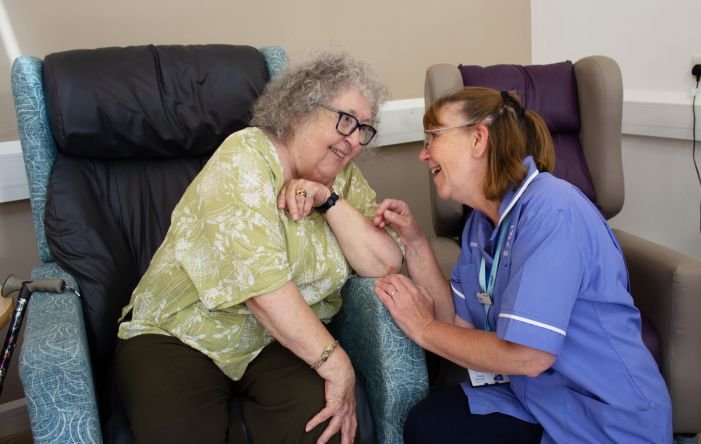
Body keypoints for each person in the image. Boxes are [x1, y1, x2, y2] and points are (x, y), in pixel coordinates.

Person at [114, 52, 403, 444]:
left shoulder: (342, 177)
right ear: (302, 107)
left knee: (327, 432)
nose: (354, 139)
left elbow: (385, 262)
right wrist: (338, 365)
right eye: (347, 120)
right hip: (180, 334)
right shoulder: (243, 157)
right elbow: (262, 291)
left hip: (274, 344)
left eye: (364, 129)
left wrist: (328, 200)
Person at [372, 87, 672, 443]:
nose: (423, 154)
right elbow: (456, 324)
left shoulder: (553, 212)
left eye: (433, 137)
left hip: (603, 416)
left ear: (478, 139)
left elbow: (529, 356)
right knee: (427, 425)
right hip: (537, 398)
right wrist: (415, 242)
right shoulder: (480, 226)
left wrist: (421, 328)